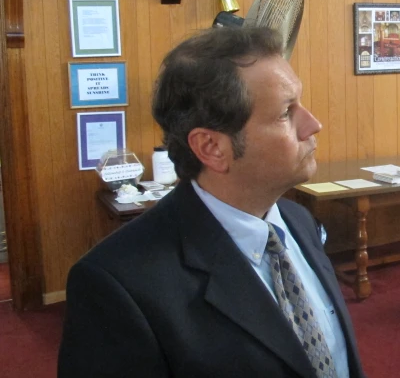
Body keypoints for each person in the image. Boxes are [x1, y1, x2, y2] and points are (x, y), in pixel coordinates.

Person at [59, 27, 366, 378]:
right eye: (285, 112)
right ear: (211, 148)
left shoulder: (298, 222)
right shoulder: (116, 285)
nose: (313, 124)